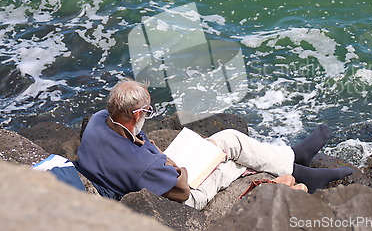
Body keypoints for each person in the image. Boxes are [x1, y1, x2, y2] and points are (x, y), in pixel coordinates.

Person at [76, 79, 352, 210]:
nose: (149, 116)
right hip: (180, 198)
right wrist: (177, 166)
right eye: (148, 112)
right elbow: (182, 191)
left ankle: (294, 157)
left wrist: (161, 157)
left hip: (137, 174)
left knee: (228, 138)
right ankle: (301, 170)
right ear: (136, 114)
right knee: (226, 161)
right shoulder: (142, 165)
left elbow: (140, 142)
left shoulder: (100, 120)